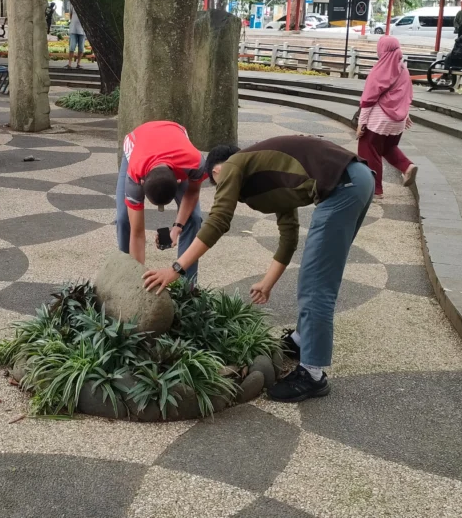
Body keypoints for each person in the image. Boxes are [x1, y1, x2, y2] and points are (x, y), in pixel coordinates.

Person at [142, 136, 374, 403]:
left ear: (216, 172)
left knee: (315, 283)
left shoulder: (231, 167)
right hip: (355, 179)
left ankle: (312, 374)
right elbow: (289, 235)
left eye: (218, 185)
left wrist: (176, 268)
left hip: (343, 186)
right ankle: (300, 341)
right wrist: (267, 282)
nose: (224, 190)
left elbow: (219, 219)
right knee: (318, 275)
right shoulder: (269, 174)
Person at [117, 121, 206, 282]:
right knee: (124, 219)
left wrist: (176, 229)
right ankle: (127, 277)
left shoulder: (195, 162)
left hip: (176, 137)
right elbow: (137, 234)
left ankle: (188, 287)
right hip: (137, 142)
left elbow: (192, 193)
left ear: (179, 180)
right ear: (142, 183)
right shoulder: (135, 173)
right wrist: (139, 283)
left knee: (193, 218)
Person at [357, 36, 418, 197]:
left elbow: (368, 100)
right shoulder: (404, 70)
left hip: (378, 119)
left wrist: (361, 124)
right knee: (388, 147)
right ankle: (407, 167)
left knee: (369, 151)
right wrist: (405, 115)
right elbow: (406, 95)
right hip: (398, 121)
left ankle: (375, 190)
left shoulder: (379, 70)